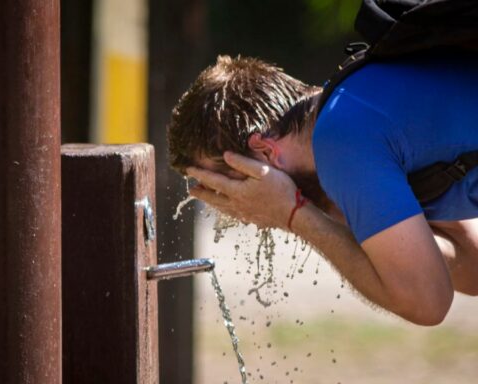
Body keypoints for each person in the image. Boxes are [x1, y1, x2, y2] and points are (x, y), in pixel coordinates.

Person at [167, 54, 478, 326]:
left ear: (263, 152)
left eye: (230, 185)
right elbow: (472, 264)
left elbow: (427, 302)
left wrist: (293, 214)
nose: (241, 209)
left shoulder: (339, 141)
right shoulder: (355, 106)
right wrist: (328, 211)